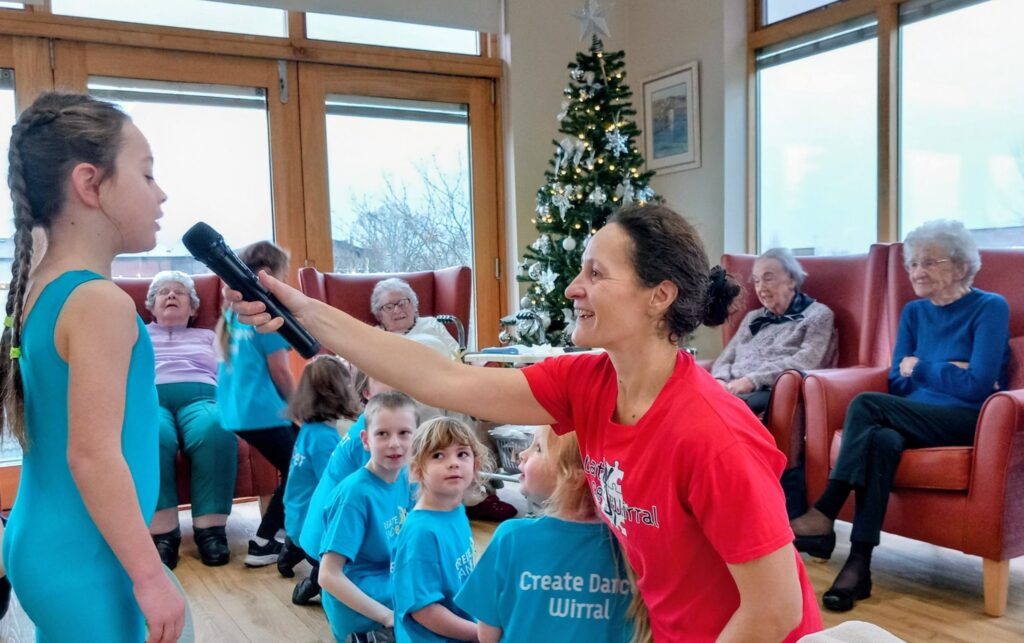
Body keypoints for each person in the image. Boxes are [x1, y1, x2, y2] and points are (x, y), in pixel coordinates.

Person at [227, 203, 822, 641]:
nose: (572, 287)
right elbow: (444, 379)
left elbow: (775, 609)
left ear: (659, 296)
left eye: (595, 273)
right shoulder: (590, 382)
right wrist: (300, 310)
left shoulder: (713, 435)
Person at [0, 92, 184, 641]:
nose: (161, 193)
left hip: (53, 539)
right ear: (90, 184)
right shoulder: (99, 301)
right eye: (147, 175)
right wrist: (150, 576)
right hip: (85, 556)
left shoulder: (41, 290)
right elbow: (93, 455)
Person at [790, 219, 1009, 612]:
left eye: (929, 263)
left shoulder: (990, 307)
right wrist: (948, 369)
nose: (916, 272)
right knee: (881, 439)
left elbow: (977, 386)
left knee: (866, 404)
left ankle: (825, 511)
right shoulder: (913, 313)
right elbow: (897, 380)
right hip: (912, 416)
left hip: (966, 421)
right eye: (912, 264)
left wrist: (922, 367)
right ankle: (859, 567)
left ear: (960, 266)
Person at [455, 426, 647, 643]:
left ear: (575, 476)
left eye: (537, 448)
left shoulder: (511, 539)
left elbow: (487, 635)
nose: (521, 454)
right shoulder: (634, 546)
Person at [146, 270, 238, 569]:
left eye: (179, 292)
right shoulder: (137, 334)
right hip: (150, 398)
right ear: (151, 305)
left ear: (194, 308)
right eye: (163, 292)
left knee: (216, 427)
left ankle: (210, 531)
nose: (171, 295)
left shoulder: (208, 336)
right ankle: (163, 534)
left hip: (202, 396)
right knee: (151, 433)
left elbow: (230, 372)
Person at [216, 240, 297, 567]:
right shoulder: (267, 314)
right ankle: (266, 540)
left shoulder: (234, 313)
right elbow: (280, 370)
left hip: (238, 410)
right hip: (263, 411)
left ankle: (280, 533)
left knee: (297, 464)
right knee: (299, 469)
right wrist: (299, 407)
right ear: (270, 275)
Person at [319, 391, 418, 642]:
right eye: (382, 434)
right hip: (365, 608)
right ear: (365, 440)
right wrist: (387, 617)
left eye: (404, 433)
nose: (394, 443)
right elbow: (328, 575)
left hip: (393, 586)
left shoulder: (407, 478)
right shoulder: (354, 495)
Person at [392, 417, 491, 642]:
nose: (453, 463)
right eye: (438, 455)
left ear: (475, 465)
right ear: (417, 469)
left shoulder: (455, 510)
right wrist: (481, 635)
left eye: (462, 454)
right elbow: (425, 611)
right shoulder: (421, 533)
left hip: (460, 624)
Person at [712, 247, 837, 415]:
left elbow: (809, 361)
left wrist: (752, 380)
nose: (761, 288)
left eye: (768, 278)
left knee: (723, 410)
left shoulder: (818, 315)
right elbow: (726, 357)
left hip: (769, 390)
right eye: (756, 281)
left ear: (792, 280)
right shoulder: (753, 318)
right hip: (731, 388)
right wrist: (719, 380)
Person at [280, 354, 361, 605]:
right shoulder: (327, 439)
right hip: (313, 525)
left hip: (295, 515)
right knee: (341, 559)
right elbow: (337, 487)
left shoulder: (310, 428)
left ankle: (290, 552)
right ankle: (312, 583)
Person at [372, 278, 460, 359]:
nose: (397, 310)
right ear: (379, 314)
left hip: (445, 373)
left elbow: (458, 355)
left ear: (414, 305)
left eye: (402, 303)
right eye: (389, 307)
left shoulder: (431, 323)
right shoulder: (375, 335)